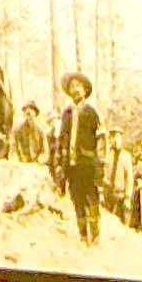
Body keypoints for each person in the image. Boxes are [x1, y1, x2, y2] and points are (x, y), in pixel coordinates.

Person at [54, 71, 105, 248]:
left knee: (91, 197)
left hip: (88, 163)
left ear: (84, 90)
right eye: (72, 87)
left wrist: (99, 162)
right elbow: (61, 139)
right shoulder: (66, 114)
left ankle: (95, 235)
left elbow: (100, 139)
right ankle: (83, 236)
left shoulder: (91, 113)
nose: (75, 90)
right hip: (72, 164)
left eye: (78, 86)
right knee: (77, 200)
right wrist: (60, 163)